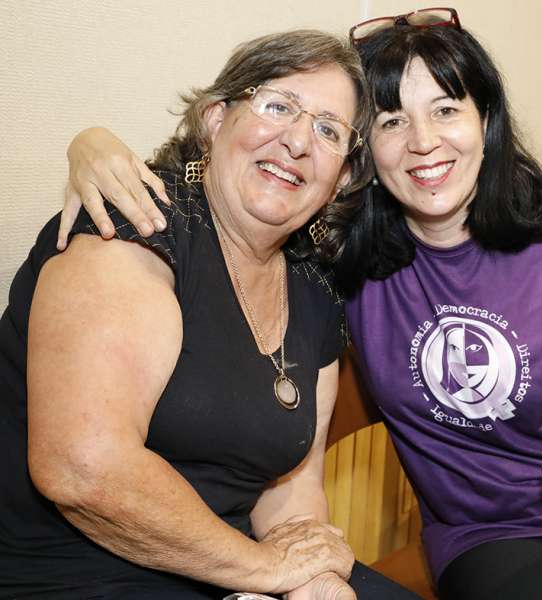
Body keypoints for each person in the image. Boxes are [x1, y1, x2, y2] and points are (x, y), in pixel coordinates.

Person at [56, 8, 542, 600]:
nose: (423, 142)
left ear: (486, 120)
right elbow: (228, 187)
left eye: (446, 110)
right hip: (490, 531)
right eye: (390, 121)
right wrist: (92, 148)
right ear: (362, 155)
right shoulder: (342, 259)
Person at [0, 29, 422, 600]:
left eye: (328, 130)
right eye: (278, 106)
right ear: (216, 119)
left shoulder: (316, 285)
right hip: (78, 574)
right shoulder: (136, 229)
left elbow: (293, 484)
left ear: (342, 177)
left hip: (232, 564)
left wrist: (316, 582)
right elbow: (83, 470)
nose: (298, 142)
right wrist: (264, 572)